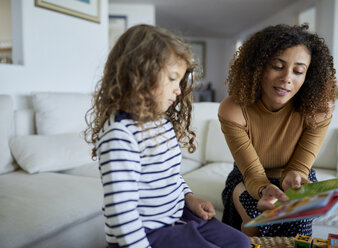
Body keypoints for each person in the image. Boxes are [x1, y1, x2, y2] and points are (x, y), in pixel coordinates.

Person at [85, 24, 251, 248]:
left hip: (180, 217)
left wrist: (190, 199)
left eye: (180, 81)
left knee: (241, 242)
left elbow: (170, 176)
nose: (179, 90)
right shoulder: (119, 135)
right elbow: (121, 213)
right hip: (148, 232)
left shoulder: (160, 123)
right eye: (172, 79)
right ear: (140, 75)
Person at [218, 24, 337, 237]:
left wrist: (295, 177)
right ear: (258, 67)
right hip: (248, 178)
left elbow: (299, 167)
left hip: (295, 178)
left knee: (298, 223)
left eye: (298, 71)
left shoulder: (319, 111)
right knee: (254, 219)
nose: (287, 78)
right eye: (277, 66)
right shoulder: (233, 109)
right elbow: (253, 174)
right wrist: (264, 189)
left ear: (308, 76)